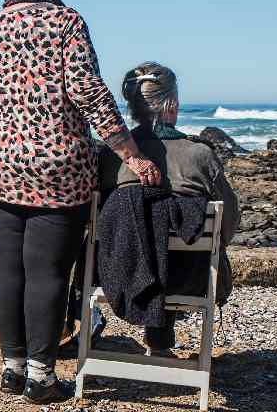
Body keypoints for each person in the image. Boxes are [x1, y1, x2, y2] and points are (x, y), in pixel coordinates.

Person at [0, 0, 161, 404]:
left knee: (7, 268)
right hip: (58, 167)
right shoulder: (66, 22)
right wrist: (130, 152)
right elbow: (88, 91)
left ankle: (11, 368)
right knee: (47, 272)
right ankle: (40, 378)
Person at [95, 61, 239, 355]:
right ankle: (160, 343)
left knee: (143, 233)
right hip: (189, 278)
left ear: (133, 106)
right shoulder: (200, 155)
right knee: (176, 242)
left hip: (117, 273)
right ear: (171, 103)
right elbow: (229, 221)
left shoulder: (112, 157)